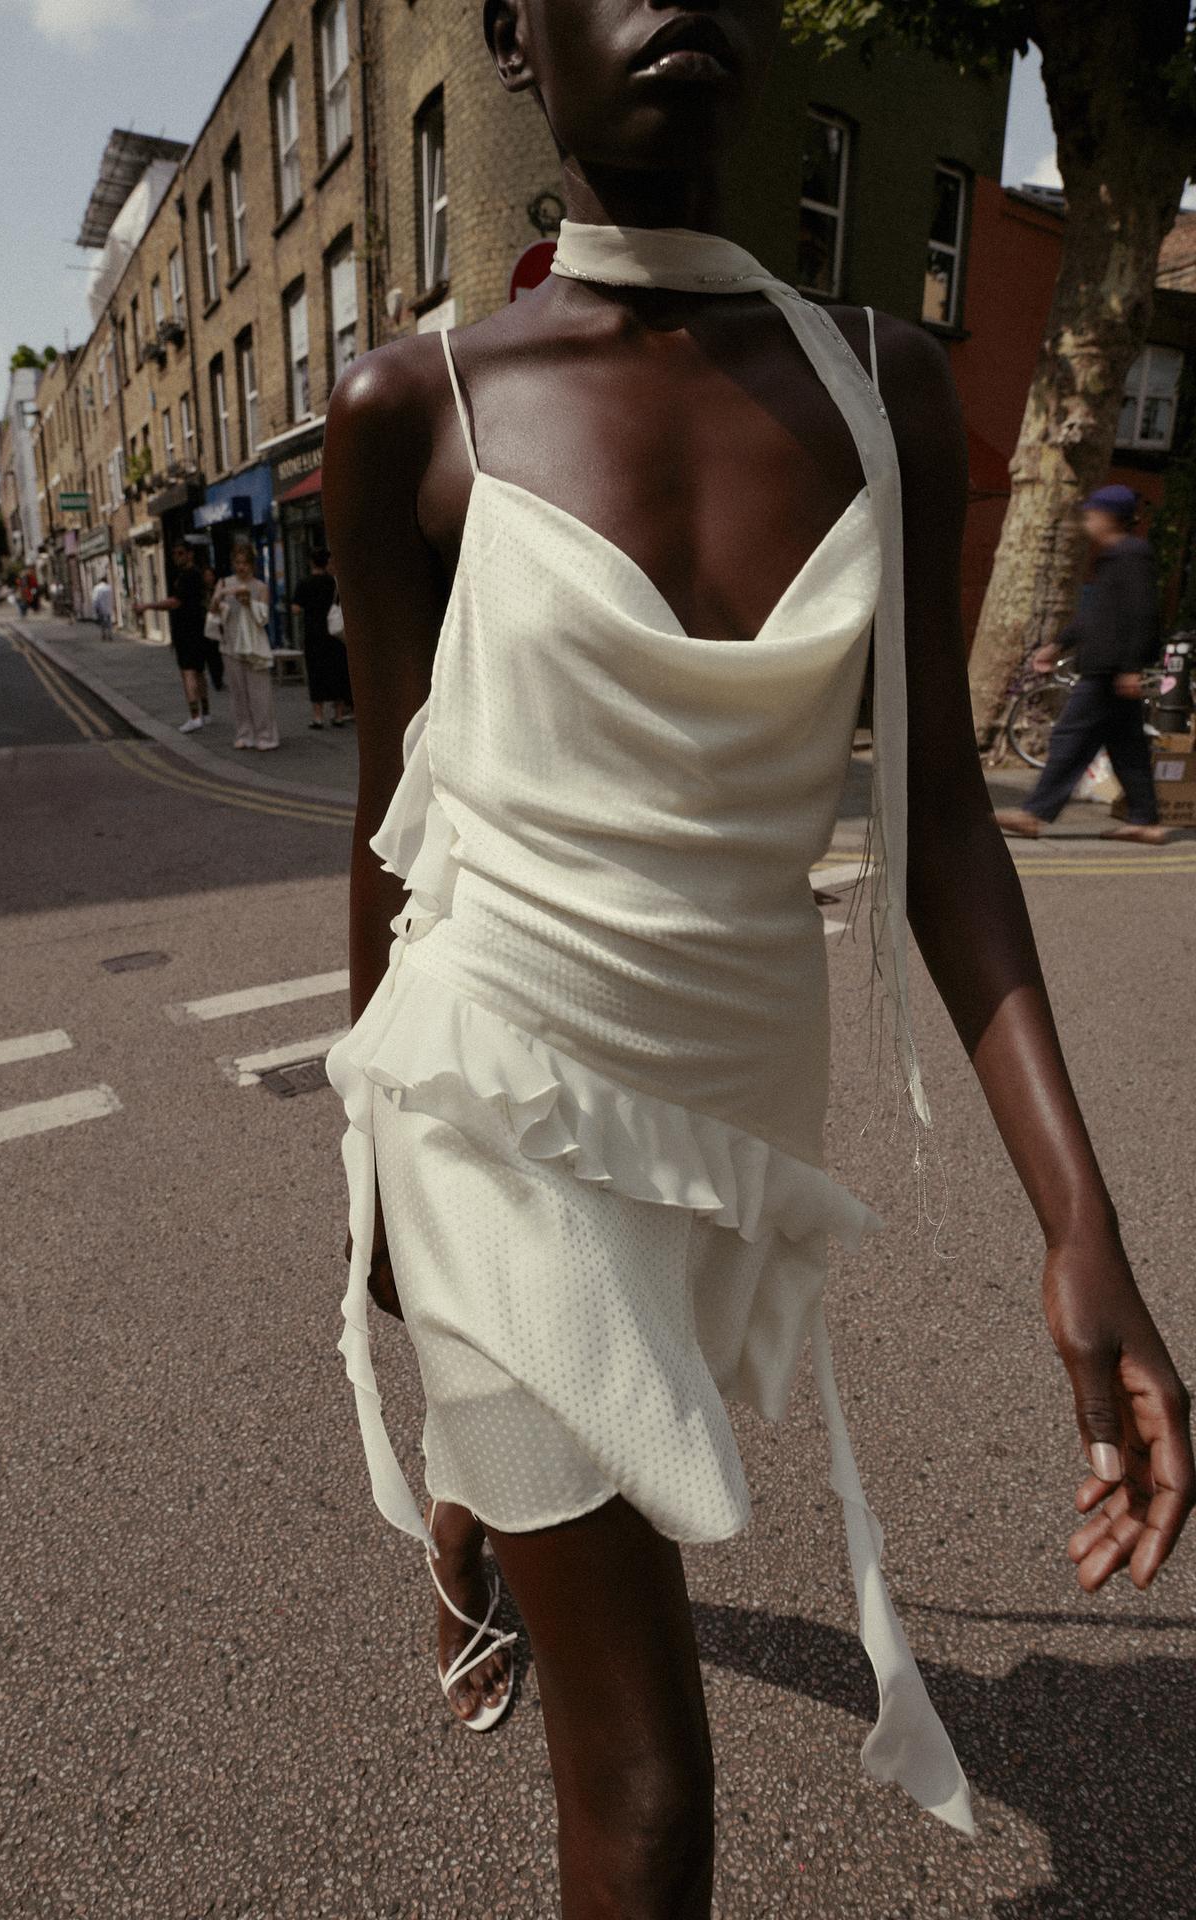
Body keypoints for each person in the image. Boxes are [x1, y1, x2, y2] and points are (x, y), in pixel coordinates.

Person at [321, 4, 1194, 1912]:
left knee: (603, 1464)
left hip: (726, 1097)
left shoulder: (879, 383)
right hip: (483, 1092)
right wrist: (373, 1171)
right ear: (512, 38)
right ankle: (500, 1438)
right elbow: (394, 816)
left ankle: (486, 1484)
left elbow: (944, 821)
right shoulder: (414, 407)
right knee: (644, 1786)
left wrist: (1082, 1223)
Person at [996, 485, 1169, 845]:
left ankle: (1035, 813)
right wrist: (1057, 644)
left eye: (1092, 514)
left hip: (1109, 671)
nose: (1087, 521)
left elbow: (1143, 614)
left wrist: (1130, 668)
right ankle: (1145, 821)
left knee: (1070, 738)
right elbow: (1093, 617)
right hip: (1107, 668)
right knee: (1128, 749)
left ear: (1109, 517)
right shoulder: (1114, 558)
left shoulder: (1132, 555)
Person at [135, 540, 211, 732]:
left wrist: (147, 606)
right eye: (174, 554)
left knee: (188, 672)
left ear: (190, 554)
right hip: (197, 628)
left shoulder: (188, 576)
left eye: (180, 553)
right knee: (199, 671)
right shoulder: (193, 574)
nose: (176, 557)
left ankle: (195, 717)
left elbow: (175, 602)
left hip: (188, 630)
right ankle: (206, 713)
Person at [210, 538, 277, 750]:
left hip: (254, 647)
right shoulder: (224, 583)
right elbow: (212, 612)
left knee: (260, 694)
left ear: (252, 564)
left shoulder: (261, 587)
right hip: (230, 645)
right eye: (237, 562)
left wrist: (248, 601)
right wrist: (218, 596)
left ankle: (265, 736)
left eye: (245, 562)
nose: (241, 566)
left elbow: (263, 618)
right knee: (238, 695)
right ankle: (244, 734)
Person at [291, 545, 353, 728]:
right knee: (337, 671)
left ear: (311, 562)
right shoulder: (334, 582)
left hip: (314, 634)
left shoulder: (304, 583)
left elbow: (295, 609)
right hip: (334, 634)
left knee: (316, 673)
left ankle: (318, 716)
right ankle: (339, 714)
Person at [200, 563, 225, 693]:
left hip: (219, 625)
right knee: (211, 656)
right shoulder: (201, 592)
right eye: (206, 575)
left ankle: (219, 677)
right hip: (207, 626)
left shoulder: (219, 590)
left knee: (219, 655)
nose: (209, 578)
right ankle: (216, 680)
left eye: (211, 575)